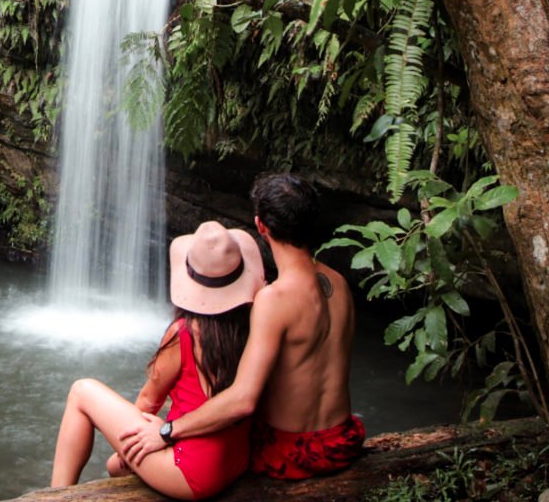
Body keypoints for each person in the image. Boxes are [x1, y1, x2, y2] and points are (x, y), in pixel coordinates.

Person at [120, 172, 365, 480]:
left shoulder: (273, 299)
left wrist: (168, 430)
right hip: (341, 441)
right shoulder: (339, 284)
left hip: (290, 453)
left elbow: (243, 399)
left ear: (261, 226)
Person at [50, 220, 265, 499]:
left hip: (192, 472)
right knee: (115, 467)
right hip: (234, 460)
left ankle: (52, 496)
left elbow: (149, 400)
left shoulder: (185, 334)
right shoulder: (257, 326)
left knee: (82, 392)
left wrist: (131, 445)